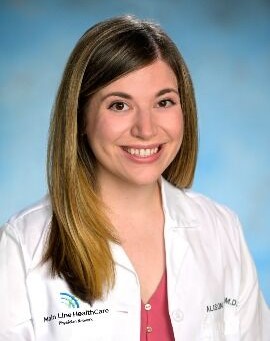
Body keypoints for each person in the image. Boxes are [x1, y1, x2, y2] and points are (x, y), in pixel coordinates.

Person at [0, 15, 269, 341]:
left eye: (163, 102)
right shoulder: (23, 245)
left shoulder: (221, 229)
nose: (146, 129)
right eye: (119, 105)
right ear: (81, 117)